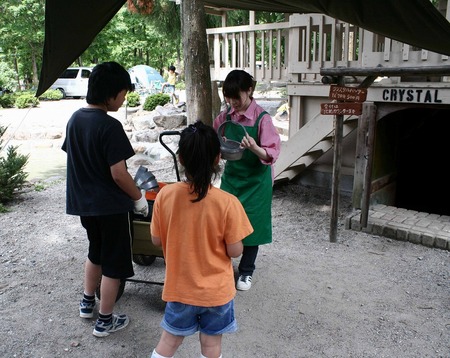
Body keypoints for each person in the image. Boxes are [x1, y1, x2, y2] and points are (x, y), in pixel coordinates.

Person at [150, 120, 253, 358]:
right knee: (210, 346)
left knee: (169, 341)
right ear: (218, 159)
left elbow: (156, 240)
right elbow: (236, 251)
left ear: (181, 159)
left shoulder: (165, 195)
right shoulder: (228, 203)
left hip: (179, 288)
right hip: (216, 292)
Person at [62, 61, 149, 338]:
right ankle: (105, 320)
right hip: (111, 208)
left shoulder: (75, 119)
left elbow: (77, 156)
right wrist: (138, 198)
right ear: (110, 94)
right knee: (114, 264)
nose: (124, 100)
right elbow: (119, 174)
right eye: (123, 94)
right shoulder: (110, 126)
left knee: (95, 252)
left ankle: (87, 303)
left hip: (85, 206)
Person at [213, 69, 281, 291]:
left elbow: (271, 154)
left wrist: (254, 148)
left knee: (253, 226)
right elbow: (213, 141)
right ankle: (222, 265)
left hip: (256, 182)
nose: (233, 103)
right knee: (223, 222)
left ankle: (246, 271)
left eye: (237, 97)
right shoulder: (225, 118)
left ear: (249, 90)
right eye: (228, 98)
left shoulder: (263, 119)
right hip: (233, 179)